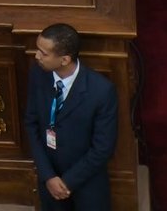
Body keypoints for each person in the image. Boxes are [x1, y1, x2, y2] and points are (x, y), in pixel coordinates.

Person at [24, 23, 118, 211]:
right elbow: (31, 123)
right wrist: (48, 176)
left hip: (87, 183)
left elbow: (103, 148)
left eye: (43, 53)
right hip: (50, 179)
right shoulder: (38, 74)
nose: (37, 56)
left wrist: (67, 182)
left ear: (65, 59)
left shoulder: (101, 91)